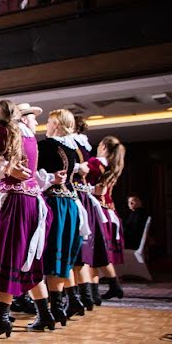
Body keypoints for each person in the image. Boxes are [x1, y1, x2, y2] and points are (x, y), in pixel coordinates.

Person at [0, 100, 46, 339]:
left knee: (2, 257)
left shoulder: (0, 133)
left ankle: (0, 320)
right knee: (19, 259)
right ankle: (4, 317)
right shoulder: (27, 134)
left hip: (13, 200)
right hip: (31, 200)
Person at [36, 109, 86, 327]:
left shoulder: (47, 145)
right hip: (70, 204)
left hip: (54, 203)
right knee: (62, 256)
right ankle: (63, 305)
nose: (45, 124)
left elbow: (35, 174)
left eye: (48, 120)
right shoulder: (71, 147)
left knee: (52, 256)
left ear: (56, 123)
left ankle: (55, 309)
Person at [66, 116, 108, 317]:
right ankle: (88, 297)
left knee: (75, 253)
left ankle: (79, 298)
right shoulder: (85, 145)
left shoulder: (71, 143)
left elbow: (76, 170)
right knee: (83, 253)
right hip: (84, 195)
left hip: (74, 195)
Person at [87, 135, 126, 299]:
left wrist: (81, 189)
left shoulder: (97, 164)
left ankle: (113, 285)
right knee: (95, 254)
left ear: (103, 147)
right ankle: (95, 292)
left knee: (98, 253)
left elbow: (99, 190)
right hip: (109, 212)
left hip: (99, 212)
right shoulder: (112, 165)